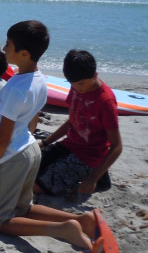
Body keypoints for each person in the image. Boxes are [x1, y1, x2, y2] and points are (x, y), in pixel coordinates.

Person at [0, 21, 108, 253]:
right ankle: (82, 220)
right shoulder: (39, 79)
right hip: (29, 148)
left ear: (23, 54)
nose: (4, 48)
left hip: (13, 155)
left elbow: (3, 137)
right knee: (22, 208)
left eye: (8, 45)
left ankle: (65, 230)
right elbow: (32, 123)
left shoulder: (16, 88)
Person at [35, 50, 121, 196]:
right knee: (28, 167)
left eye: (81, 84)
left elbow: (117, 146)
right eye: (72, 84)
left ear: (95, 75)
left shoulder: (105, 101)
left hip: (89, 156)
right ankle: (101, 176)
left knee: (36, 187)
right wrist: (46, 143)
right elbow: (72, 121)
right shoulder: (76, 86)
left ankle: (99, 176)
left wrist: (93, 179)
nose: (77, 88)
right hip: (68, 145)